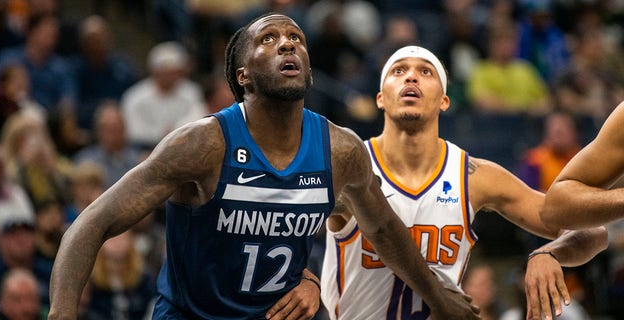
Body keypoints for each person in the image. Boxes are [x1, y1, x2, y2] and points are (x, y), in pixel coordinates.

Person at [48, 14, 481, 320]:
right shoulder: (201, 144)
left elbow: (384, 231)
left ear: (309, 71)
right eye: (268, 39)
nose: (288, 43)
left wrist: (438, 299)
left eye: (296, 38)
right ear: (243, 76)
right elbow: (91, 225)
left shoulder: (340, 150)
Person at [320, 45, 608, 320]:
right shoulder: (350, 165)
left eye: (426, 72)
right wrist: (305, 276)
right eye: (398, 71)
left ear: (444, 100)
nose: (411, 76)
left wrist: (550, 252)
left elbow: (592, 229)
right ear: (380, 97)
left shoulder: (475, 176)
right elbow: (286, 212)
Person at [542, 101, 624, 230]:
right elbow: (554, 207)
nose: (558, 133)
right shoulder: (535, 159)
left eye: (563, 129)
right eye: (554, 129)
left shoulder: (576, 153)